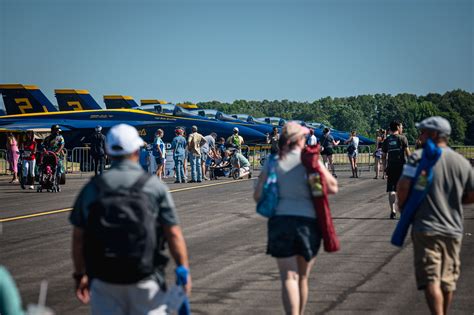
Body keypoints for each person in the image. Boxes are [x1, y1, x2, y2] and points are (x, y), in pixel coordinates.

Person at [69, 124, 191, 314]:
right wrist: (183, 270)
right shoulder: (154, 186)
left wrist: (79, 275)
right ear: (136, 150)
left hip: (104, 280)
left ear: (108, 152)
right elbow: (173, 233)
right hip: (145, 279)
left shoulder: (93, 188)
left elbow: (78, 237)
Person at [253, 122, 338, 315]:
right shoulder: (311, 161)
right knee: (302, 278)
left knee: (288, 277)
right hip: (308, 223)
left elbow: (258, 195)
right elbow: (332, 187)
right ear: (299, 140)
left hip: (281, 221)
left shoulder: (273, 161)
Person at [396, 116, 474, 315]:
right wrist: (456, 201)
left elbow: (403, 186)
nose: (419, 136)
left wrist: (405, 210)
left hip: (425, 228)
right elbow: (471, 193)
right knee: (447, 281)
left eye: (422, 132)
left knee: (431, 279)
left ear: (433, 135)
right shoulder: (461, 162)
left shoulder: (417, 158)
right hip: (453, 229)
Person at [382, 120, 410, 219]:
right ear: (398, 127)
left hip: (391, 167)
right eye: (401, 127)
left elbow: (384, 156)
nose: (402, 128)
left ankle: (393, 211)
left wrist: (384, 167)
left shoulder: (386, 140)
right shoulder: (403, 138)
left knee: (392, 189)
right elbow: (408, 153)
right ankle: (402, 210)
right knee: (403, 189)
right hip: (402, 167)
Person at [43, 125, 65, 191]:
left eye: (58, 130)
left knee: (58, 172)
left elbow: (62, 145)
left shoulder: (60, 138)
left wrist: (58, 152)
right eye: (56, 130)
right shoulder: (47, 138)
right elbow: (43, 145)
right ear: (52, 130)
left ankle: (57, 184)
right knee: (48, 170)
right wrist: (44, 150)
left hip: (57, 156)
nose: (57, 131)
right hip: (49, 155)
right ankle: (48, 183)